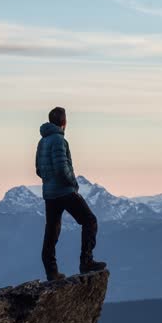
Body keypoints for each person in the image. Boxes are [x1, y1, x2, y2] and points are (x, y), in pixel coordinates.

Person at [36, 107, 107, 281]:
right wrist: (72, 183)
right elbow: (62, 168)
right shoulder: (59, 141)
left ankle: (51, 272)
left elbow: (38, 169)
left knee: (51, 231)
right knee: (90, 221)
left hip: (50, 193)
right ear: (63, 122)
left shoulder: (42, 141)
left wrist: (48, 181)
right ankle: (86, 262)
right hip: (65, 191)